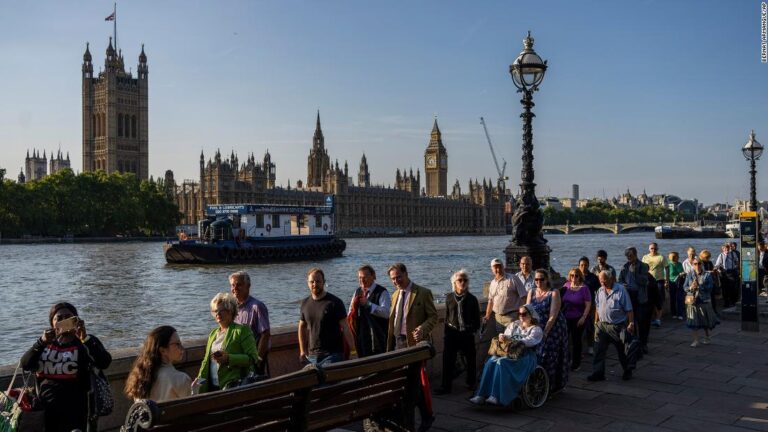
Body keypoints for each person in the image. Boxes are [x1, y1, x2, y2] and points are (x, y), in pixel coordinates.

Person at [21, 302, 112, 432]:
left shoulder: (84, 341)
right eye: (59, 318)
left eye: (68, 317)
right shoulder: (45, 343)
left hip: (77, 410)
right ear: (52, 323)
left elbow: (104, 362)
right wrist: (41, 342)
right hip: (46, 409)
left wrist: (85, 338)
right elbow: (25, 364)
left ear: (76, 320)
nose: (63, 320)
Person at [386, 262, 438, 432]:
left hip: (414, 344)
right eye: (393, 279)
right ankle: (423, 415)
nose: (396, 281)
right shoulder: (395, 295)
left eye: (398, 277)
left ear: (406, 274)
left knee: (413, 382)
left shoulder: (422, 293)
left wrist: (423, 328)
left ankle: (418, 417)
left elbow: (433, 317)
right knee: (408, 383)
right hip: (397, 343)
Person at [469, 304, 543, 406]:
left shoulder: (536, 329)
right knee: (491, 361)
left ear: (531, 315)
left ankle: (496, 396)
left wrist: (512, 340)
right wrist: (502, 336)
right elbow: (506, 334)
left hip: (525, 356)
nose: (521, 316)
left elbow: (529, 341)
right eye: (519, 314)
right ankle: (481, 394)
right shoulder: (514, 324)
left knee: (501, 362)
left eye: (524, 314)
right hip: (510, 353)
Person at [196, 292, 259, 392]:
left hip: (233, 386)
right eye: (215, 311)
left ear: (230, 311)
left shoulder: (242, 331)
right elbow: (205, 363)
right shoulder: (213, 334)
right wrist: (199, 383)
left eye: (221, 311)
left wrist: (229, 358)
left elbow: (253, 358)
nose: (217, 314)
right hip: (213, 386)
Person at [299, 267, 356, 365]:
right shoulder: (305, 303)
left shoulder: (335, 302)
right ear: (307, 283)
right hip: (312, 356)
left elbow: (346, 328)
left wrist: (353, 351)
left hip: (333, 354)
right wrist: (302, 351)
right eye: (312, 282)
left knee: (326, 374)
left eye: (318, 281)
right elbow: (301, 327)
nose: (315, 284)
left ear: (324, 282)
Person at [436, 269, 480, 394]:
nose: (463, 282)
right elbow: (447, 317)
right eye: (460, 280)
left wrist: (471, 330)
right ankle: (446, 386)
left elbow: (477, 319)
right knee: (448, 359)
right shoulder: (449, 298)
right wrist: (446, 334)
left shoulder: (472, 299)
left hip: (466, 333)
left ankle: (471, 383)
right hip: (452, 333)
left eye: (465, 280)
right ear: (454, 283)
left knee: (470, 359)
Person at [526, 269, 569, 392]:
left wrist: (545, 332)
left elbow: (553, 316)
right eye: (536, 279)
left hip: (554, 327)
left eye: (541, 279)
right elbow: (527, 312)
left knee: (550, 355)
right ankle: (537, 385)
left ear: (547, 280)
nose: (538, 281)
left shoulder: (553, 293)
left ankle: (552, 386)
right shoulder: (531, 292)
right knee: (537, 355)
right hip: (537, 327)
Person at [588, 271, 635, 382]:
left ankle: (627, 370)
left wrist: (631, 323)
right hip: (602, 326)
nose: (602, 283)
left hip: (618, 326)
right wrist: (596, 322)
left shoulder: (621, 290)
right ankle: (598, 373)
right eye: (600, 281)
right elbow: (597, 307)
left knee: (622, 351)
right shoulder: (600, 291)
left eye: (604, 281)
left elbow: (629, 309)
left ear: (611, 279)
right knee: (598, 350)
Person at [125, 326, 191, 402]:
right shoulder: (181, 379)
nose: (182, 347)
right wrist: (195, 391)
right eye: (177, 344)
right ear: (163, 351)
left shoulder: (139, 378)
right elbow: (191, 407)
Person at [230, 271, 271, 376]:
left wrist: (258, 359)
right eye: (232, 285)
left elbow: (265, 334)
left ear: (248, 286)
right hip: (238, 358)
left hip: (253, 359)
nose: (235, 288)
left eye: (239, 285)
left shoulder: (257, 307)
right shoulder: (232, 308)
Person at [348, 264, 391, 357]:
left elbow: (386, 313)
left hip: (378, 336)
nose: (362, 280)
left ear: (373, 276)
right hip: (361, 336)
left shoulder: (382, 292)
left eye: (365, 277)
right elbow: (350, 312)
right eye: (360, 278)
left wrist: (369, 304)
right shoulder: (357, 292)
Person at [618, 247, 651, 354]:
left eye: (630, 255)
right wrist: (623, 285)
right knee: (630, 322)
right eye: (627, 256)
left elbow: (645, 281)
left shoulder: (643, 266)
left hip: (640, 297)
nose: (629, 257)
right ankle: (634, 344)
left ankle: (643, 344)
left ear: (635, 255)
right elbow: (620, 280)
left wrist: (635, 273)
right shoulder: (625, 267)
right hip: (629, 296)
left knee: (642, 322)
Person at [484, 258, 527, 332]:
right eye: (495, 267)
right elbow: (490, 301)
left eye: (499, 266)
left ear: (503, 267)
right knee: (500, 338)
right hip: (498, 318)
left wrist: (524, 314)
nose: (498, 269)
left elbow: (524, 297)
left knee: (512, 338)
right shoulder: (492, 283)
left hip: (512, 317)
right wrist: (487, 315)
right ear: (492, 269)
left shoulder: (513, 279)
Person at [684, 258, 720, 347]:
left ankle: (707, 337)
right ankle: (696, 340)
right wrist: (691, 287)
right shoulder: (689, 274)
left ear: (702, 264)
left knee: (705, 321)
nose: (697, 265)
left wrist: (700, 286)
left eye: (699, 263)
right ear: (692, 265)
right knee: (693, 321)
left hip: (704, 300)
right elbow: (684, 287)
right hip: (692, 300)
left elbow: (710, 287)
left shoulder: (707, 275)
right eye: (695, 264)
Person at [562, 268, 592, 371]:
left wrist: (583, 317)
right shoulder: (566, 286)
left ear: (580, 277)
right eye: (572, 275)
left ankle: (576, 363)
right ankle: (566, 360)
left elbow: (588, 305)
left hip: (578, 318)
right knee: (564, 340)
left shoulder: (584, 288)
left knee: (576, 341)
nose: (574, 277)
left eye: (576, 275)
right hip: (565, 317)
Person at [642, 242, 668, 327]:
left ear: (657, 249)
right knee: (649, 300)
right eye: (652, 248)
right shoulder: (645, 257)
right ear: (649, 249)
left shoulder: (661, 257)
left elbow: (667, 268)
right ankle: (651, 318)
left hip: (659, 281)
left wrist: (666, 281)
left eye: (655, 248)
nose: (653, 250)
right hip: (648, 282)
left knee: (659, 300)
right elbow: (642, 269)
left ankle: (658, 319)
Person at [579, 256, 600, 355]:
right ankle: (579, 348)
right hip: (578, 305)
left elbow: (598, 291)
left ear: (588, 266)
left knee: (590, 326)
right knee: (579, 327)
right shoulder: (576, 276)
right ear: (579, 266)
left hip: (590, 305)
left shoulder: (593, 277)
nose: (583, 267)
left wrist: (598, 304)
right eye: (582, 265)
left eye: (585, 265)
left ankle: (590, 346)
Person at [715, 243, 739, 307]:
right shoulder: (721, 255)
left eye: (727, 248)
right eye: (725, 249)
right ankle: (726, 302)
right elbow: (717, 264)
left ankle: (733, 302)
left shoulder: (733, 254)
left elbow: (737, 261)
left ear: (729, 248)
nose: (726, 250)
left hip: (732, 272)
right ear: (722, 249)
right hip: (724, 273)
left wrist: (736, 267)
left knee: (732, 288)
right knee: (724, 288)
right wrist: (719, 270)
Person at [667, 252, 685, 320]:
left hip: (679, 282)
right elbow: (666, 274)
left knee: (680, 298)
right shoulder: (668, 264)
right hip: (671, 283)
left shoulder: (679, 264)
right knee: (673, 298)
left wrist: (682, 274)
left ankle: (680, 314)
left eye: (677, 256)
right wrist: (666, 282)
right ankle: (673, 313)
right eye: (677, 256)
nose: (678, 257)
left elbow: (682, 272)